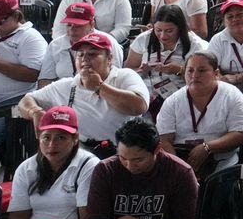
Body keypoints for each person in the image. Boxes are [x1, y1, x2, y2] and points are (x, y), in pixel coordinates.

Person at [84, 118, 199, 219]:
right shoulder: (105, 171)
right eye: (122, 158)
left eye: (138, 160)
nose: (129, 166)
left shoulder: (180, 173)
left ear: (157, 149)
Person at [17, 32, 149, 149]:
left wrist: (99, 87)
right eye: (80, 54)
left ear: (109, 59)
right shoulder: (67, 85)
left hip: (120, 152)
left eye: (92, 54)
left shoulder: (124, 76)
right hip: (80, 152)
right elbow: (26, 100)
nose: (85, 59)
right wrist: (35, 112)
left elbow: (139, 106)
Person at [4, 107, 97, 219]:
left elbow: (86, 218)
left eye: (61, 137)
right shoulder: (26, 168)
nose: (52, 145)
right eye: (46, 137)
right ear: (39, 136)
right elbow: (18, 216)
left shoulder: (88, 165)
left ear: (75, 138)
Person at [155, 51, 243, 177]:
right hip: (181, 163)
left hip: (224, 165)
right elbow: (164, 140)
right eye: (190, 70)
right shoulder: (172, 101)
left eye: (201, 70)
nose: (195, 75)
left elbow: (241, 134)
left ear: (216, 74)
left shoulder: (232, 96)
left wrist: (207, 147)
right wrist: (179, 168)